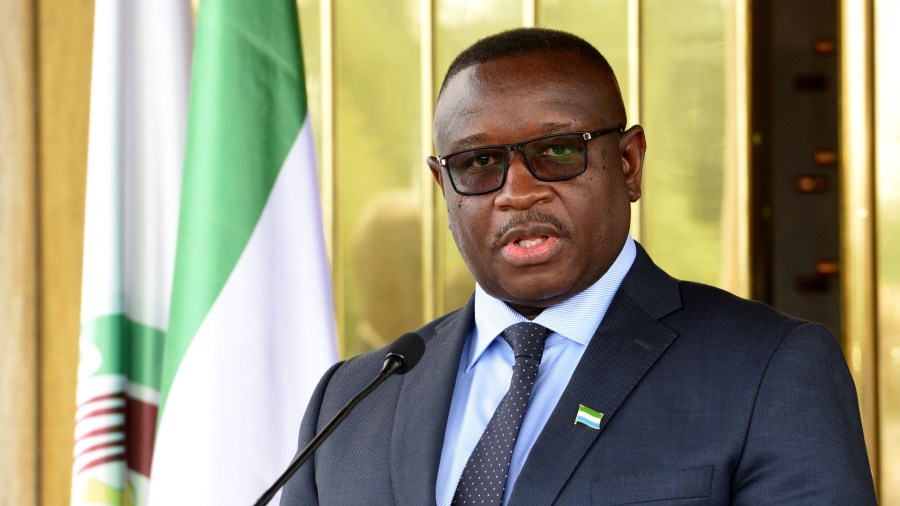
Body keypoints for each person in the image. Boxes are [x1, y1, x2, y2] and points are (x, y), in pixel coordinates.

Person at [281, 28, 876, 505]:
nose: (517, 192)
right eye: (479, 162)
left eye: (557, 151)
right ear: (444, 186)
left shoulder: (768, 371)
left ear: (629, 163)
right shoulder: (352, 399)